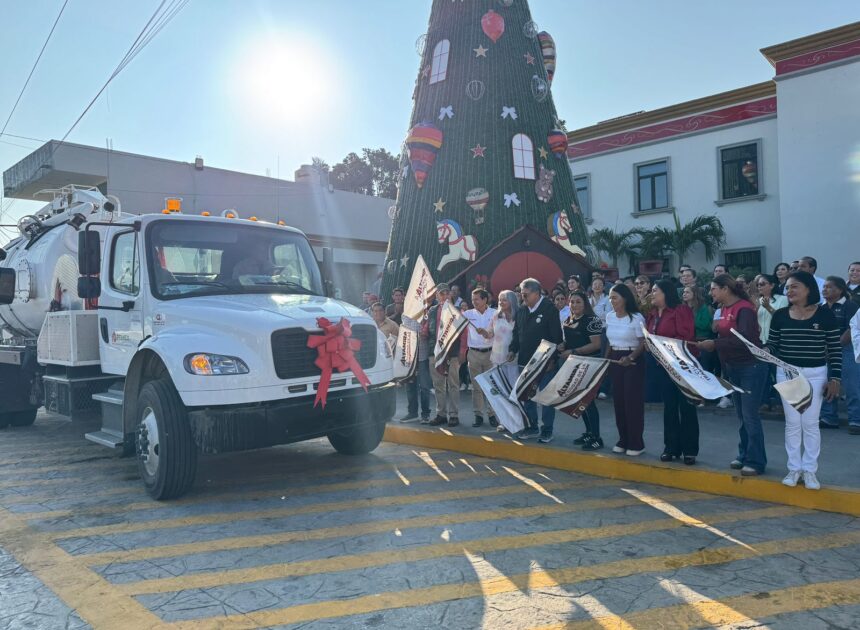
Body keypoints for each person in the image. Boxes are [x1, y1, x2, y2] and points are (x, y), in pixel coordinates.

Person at [768, 271, 841, 490]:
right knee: (792, 424)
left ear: (808, 289)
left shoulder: (825, 315)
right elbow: (773, 344)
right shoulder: (780, 315)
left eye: (794, 286)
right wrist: (764, 350)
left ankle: (810, 470)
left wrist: (835, 378)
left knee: (810, 424)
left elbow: (835, 349)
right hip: (788, 374)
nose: (789, 290)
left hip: (816, 375)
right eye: (787, 287)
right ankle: (794, 469)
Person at [697, 275, 767, 477]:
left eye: (713, 289)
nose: (710, 293)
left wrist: (715, 344)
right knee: (742, 415)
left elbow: (745, 339)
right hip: (733, 367)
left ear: (725, 289)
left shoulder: (744, 309)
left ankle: (756, 461)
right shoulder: (724, 309)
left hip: (751, 367)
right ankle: (744, 454)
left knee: (750, 415)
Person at [648, 280, 699, 464]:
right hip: (663, 367)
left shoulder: (680, 310)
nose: (652, 293)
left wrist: (663, 347)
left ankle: (690, 451)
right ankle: (671, 448)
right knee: (669, 408)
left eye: (655, 290)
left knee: (686, 407)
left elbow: (685, 336)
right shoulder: (653, 314)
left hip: (682, 366)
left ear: (666, 293)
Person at [507, 278, 563, 442]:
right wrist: (512, 349)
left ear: (537, 293)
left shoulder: (550, 309)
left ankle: (547, 430)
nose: (522, 297)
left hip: (545, 362)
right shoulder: (522, 310)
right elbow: (517, 333)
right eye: (521, 294)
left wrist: (553, 359)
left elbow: (556, 337)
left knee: (546, 398)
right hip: (525, 361)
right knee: (527, 396)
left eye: (526, 294)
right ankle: (532, 427)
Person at [605, 284, 647, 456]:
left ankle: (636, 442)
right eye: (610, 298)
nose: (611, 301)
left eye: (615, 297)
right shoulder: (609, 316)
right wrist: (606, 360)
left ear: (625, 298)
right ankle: (623, 439)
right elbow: (609, 341)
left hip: (632, 360)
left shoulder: (636, 318)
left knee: (632, 402)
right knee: (619, 401)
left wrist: (631, 357)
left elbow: (643, 342)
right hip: (615, 358)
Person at [560, 291, 604, 450]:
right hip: (573, 365)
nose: (574, 305)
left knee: (589, 402)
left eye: (578, 301)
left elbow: (596, 344)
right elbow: (569, 341)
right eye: (572, 302)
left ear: (585, 303)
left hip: (589, 364)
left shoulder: (592, 320)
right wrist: (562, 346)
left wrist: (573, 351)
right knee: (580, 402)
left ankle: (597, 438)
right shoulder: (568, 320)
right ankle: (589, 433)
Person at [820, 276, 859, 433]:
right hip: (825, 350)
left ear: (840, 290)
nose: (825, 289)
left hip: (846, 349)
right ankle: (828, 417)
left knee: (852, 386)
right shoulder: (821, 308)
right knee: (827, 383)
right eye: (824, 287)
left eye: (829, 287)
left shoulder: (850, 305)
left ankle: (856, 420)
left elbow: (852, 328)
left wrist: (835, 346)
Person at [428, 283, 467, 428]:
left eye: (446, 293)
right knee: (438, 385)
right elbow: (427, 330)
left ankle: (454, 415)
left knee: (453, 385)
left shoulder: (457, 311)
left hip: (453, 353)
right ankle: (441, 414)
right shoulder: (431, 311)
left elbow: (464, 333)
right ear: (437, 295)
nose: (444, 296)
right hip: (435, 352)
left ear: (450, 295)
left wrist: (463, 351)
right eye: (441, 294)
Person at [464, 289, 498, 428]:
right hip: (473, 353)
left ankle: (492, 415)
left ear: (485, 300)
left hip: (491, 353)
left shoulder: (495, 313)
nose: (474, 302)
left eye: (476, 299)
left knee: (491, 386)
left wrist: (487, 333)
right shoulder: (467, 314)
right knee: (476, 387)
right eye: (472, 299)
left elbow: (498, 332)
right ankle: (478, 415)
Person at [755, 274, 788, 411]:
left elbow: (782, 319)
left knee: (779, 373)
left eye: (763, 284)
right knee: (763, 374)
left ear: (772, 285)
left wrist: (768, 307)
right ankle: (764, 401)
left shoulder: (782, 299)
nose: (759, 287)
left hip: (776, 343)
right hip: (761, 342)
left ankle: (781, 402)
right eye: (758, 284)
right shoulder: (759, 301)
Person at [403, 315, 433, 424]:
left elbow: (431, 332)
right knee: (410, 386)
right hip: (409, 357)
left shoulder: (426, 314)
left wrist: (425, 334)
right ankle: (412, 413)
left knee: (424, 387)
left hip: (422, 356)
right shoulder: (405, 315)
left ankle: (425, 415)